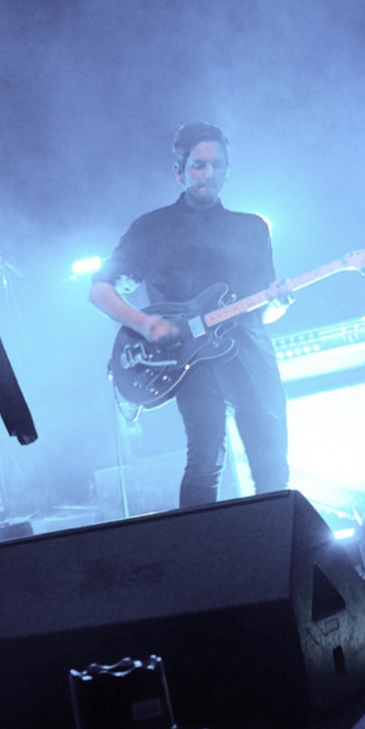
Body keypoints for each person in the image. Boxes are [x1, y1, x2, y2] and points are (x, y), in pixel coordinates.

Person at [90, 122, 290, 508]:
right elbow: (100, 290)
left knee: (273, 468)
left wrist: (278, 304)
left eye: (218, 164)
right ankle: (202, 559)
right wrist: (145, 324)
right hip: (192, 363)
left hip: (251, 356)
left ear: (228, 169)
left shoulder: (252, 228)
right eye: (199, 165)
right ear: (178, 170)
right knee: (205, 461)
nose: (209, 173)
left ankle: (278, 558)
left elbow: (261, 312)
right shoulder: (152, 228)